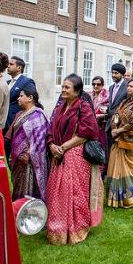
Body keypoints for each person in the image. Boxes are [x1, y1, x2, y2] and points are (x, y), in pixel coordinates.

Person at [45, 75, 102, 245]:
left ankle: (76, 228)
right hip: (59, 154)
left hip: (74, 154)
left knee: (73, 193)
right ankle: (58, 228)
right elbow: (50, 127)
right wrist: (52, 146)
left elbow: (87, 133)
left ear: (76, 91)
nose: (63, 90)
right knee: (58, 193)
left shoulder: (83, 107)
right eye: (62, 86)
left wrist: (63, 147)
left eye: (67, 87)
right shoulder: (61, 107)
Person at [107, 79, 133, 208]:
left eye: (132, 86)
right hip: (120, 136)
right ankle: (120, 198)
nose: (128, 88)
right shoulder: (124, 102)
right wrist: (114, 126)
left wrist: (119, 130)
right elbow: (115, 114)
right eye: (128, 86)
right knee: (118, 165)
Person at [6, 85, 49, 200]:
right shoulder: (20, 114)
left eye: (21, 96)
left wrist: (29, 154)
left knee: (30, 189)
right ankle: (18, 210)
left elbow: (41, 138)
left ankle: (32, 213)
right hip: (17, 160)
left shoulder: (38, 115)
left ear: (30, 98)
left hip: (30, 161)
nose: (18, 99)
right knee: (18, 186)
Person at [104, 63, 130, 164]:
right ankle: (110, 171)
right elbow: (112, 105)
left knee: (120, 150)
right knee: (109, 149)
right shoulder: (111, 87)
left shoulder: (127, 87)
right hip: (109, 123)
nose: (114, 75)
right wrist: (106, 110)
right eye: (113, 73)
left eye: (116, 73)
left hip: (121, 124)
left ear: (122, 74)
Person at [4, 56, 35, 133]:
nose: (8, 66)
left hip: (17, 123)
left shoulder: (27, 82)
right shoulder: (6, 83)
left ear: (19, 68)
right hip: (3, 123)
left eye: (11, 64)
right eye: (8, 64)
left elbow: (32, 102)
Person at [90, 76, 109, 153]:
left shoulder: (107, 96)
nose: (96, 86)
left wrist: (100, 116)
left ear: (102, 85)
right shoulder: (90, 96)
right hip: (91, 126)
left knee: (102, 148)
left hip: (102, 127)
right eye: (93, 84)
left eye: (98, 84)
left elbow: (110, 112)